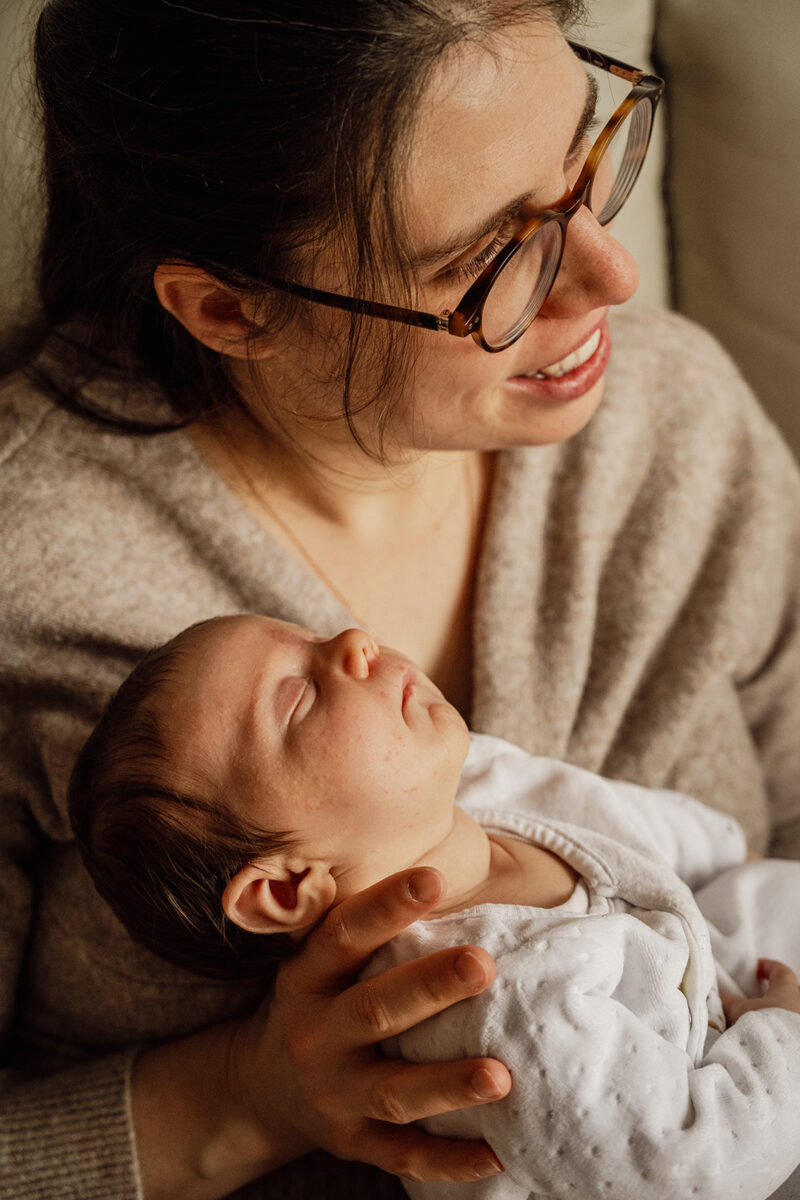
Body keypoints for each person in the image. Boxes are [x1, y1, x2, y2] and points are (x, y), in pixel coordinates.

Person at [1, 1, 799, 1198]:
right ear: (228, 308)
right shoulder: (27, 572)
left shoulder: (670, 421)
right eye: (490, 257)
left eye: (585, 157)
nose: (610, 274)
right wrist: (249, 1095)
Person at [67, 612, 800, 1200]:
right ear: (286, 888)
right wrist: (784, 1038)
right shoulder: (489, 1006)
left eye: (318, 637)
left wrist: (728, 854)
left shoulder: (468, 784)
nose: (355, 643)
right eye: (301, 695)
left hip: (705, 977)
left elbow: (615, 821)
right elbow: (684, 1166)